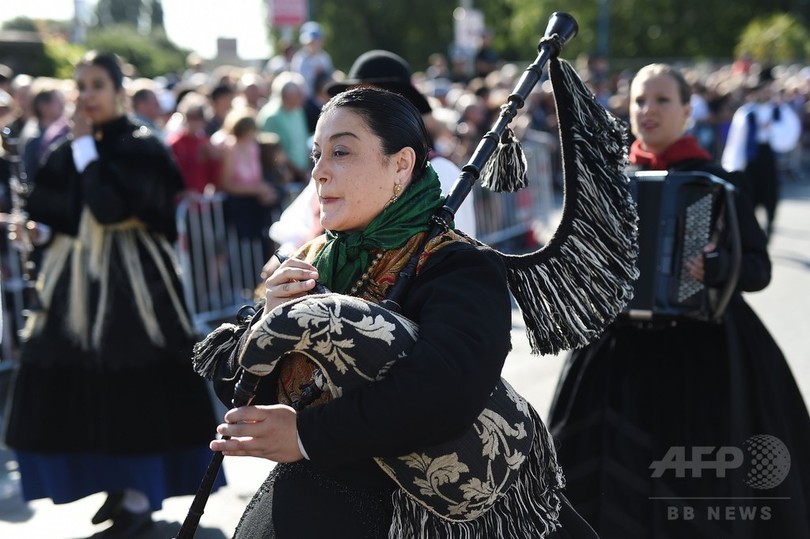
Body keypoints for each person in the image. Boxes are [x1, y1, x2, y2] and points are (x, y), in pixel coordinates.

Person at [199, 86, 599, 538]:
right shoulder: (307, 261)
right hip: (303, 503)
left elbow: (445, 392)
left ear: (401, 164)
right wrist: (268, 322)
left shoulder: (456, 265)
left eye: (342, 152)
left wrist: (307, 436)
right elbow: (239, 389)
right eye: (316, 155)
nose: (320, 173)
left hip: (421, 515)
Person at [547, 63, 810, 539]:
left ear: (688, 111)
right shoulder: (609, 180)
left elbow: (757, 269)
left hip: (701, 352)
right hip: (617, 349)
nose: (648, 110)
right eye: (639, 101)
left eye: (662, 100)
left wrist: (714, 270)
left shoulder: (716, 180)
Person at [2, 51, 226, 536]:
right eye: (79, 85)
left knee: (134, 381)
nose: (85, 95)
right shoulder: (67, 149)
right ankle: (113, 484)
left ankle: (140, 495)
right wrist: (35, 232)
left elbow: (108, 208)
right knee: (79, 380)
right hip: (74, 281)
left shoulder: (142, 144)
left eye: (96, 84)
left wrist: (84, 149)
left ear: (119, 90)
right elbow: (59, 214)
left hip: (135, 285)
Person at [268, 50, 477, 253]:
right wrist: (290, 259)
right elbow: (296, 224)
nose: (317, 172)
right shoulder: (330, 174)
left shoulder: (442, 173)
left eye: (366, 99)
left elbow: (458, 249)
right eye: (316, 155)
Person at [721, 66, 802, 240]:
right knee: (751, 197)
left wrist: (772, 129)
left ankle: (769, 225)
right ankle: (752, 232)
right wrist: (733, 166)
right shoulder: (746, 113)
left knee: (771, 196)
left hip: (769, 157)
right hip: (752, 159)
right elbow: (737, 141)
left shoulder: (779, 110)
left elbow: (791, 131)